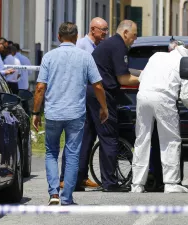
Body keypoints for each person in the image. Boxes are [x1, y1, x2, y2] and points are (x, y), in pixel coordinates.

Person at [32, 22, 108, 205]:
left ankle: (53, 194)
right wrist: (104, 107)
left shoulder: (49, 57)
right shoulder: (85, 57)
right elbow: (97, 85)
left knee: (51, 152)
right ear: (76, 37)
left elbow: (40, 87)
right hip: (76, 112)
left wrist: (35, 112)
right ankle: (67, 196)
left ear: (58, 37)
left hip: (53, 112)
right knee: (73, 153)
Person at [131, 43, 188, 193]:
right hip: (164, 98)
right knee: (170, 140)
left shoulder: (157, 56)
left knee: (142, 140)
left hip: (143, 96)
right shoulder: (187, 62)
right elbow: (187, 97)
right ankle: (171, 183)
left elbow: (142, 77)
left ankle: (137, 184)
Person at [82, 20, 140, 192]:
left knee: (88, 136)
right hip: (102, 94)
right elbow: (123, 79)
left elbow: (124, 71)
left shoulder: (111, 44)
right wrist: (146, 77)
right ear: (125, 33)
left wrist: (140, 72)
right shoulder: (118, 46)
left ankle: (78, 178)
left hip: (91, 92)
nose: (135, 39)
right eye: (134, 35)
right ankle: (110, 182)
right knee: (109, 138)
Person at [59, 17, 109, 190]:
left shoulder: (98, 47)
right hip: (79, 96)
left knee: (88, 137)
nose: (105, 33)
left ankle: (81, 176)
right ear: (93, 29)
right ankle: (64, 177)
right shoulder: (81, 45)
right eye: (103, 30)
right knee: (74, 137)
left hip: (90, 97)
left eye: (106, 30)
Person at [12, 43, 32, 116]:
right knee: (25, 105)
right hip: (24, 85)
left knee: (13, 104)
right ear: (19, 49)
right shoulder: (25, 58)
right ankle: (27, 119)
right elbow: (30, 72)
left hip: (14, 85)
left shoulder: (11, 58)